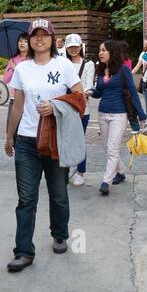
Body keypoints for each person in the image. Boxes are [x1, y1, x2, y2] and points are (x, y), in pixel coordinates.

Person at [5, 19, 83, 272]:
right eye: (34, 35)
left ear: (52, 38)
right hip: (26, 141)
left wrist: (56, 106)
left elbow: (81, 99)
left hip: (55, 140)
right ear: (29, 40)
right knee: (26, 199)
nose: (39, 39)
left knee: (58, 194)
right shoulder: (22, 69)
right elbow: (17, 104)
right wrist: (9, 136)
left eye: (44, 35)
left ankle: (59, 233)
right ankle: (24, 251)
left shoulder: (64, 66)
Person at [91, 39, 147, 196]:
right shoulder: (101, 70)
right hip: (102, 113)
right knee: (106, 148)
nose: (100, 53)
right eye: (99, 50)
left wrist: (141, 115)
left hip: (119, 115)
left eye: (103, 50)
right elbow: (99, 92)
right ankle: (121, 171)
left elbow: (133, 92)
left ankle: (105, 181)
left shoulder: (123, 70)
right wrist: (89, 92)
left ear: (112, 52)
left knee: (113, 147)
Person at [64, 33, 96, 187]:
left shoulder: (88, 64)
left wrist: (83, 93)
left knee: (80, 140)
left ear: (81, 46)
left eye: (76, 46)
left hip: (83, 108)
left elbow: (88, 85)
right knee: (67, 139)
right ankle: (70, 167)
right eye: (70, 47)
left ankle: (81, 172)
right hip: (65, 108)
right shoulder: (62, 63)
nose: (73, 49)